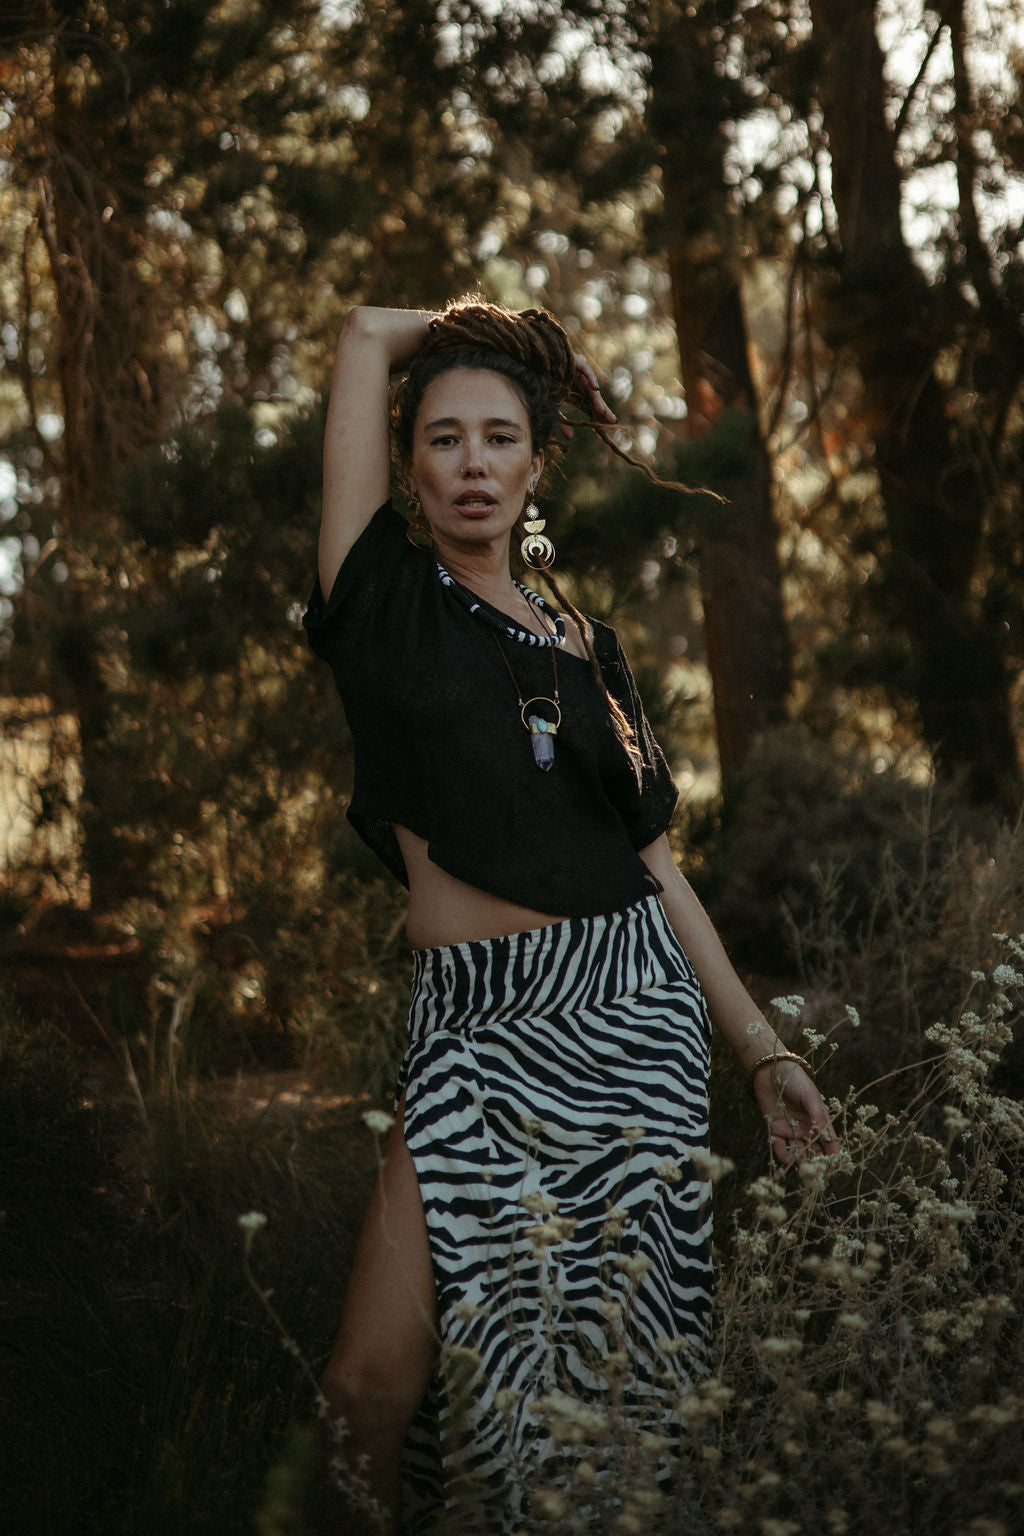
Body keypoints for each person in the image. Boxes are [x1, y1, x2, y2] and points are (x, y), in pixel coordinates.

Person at [303, 299, 838, 1534]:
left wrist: (762, 1053)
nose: (472, 463)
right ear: (407, 465)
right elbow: (365, 334)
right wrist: (524, 341)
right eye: (443, 439)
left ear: (538, 466)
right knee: (363, 1391)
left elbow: (658, 870)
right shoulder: (381, 599)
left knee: (603, 1416)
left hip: (629, 1024)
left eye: (501, 438)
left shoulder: (590, 650)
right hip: (470, 1034)